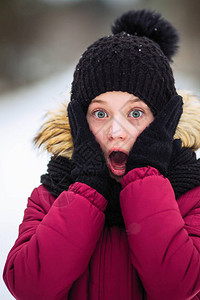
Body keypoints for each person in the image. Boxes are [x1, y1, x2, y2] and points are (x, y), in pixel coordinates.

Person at [3, 9, 200, 300]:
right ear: (79, 121)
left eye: (135, 113)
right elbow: (29, 287)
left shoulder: (192, 197)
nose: (115, 131)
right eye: (100, 113)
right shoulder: (51, 195)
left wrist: (145, 175)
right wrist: (87, 187)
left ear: (163, 120)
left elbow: (179, 286)